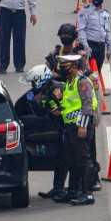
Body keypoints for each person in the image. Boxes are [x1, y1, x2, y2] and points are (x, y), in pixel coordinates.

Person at [17, 65, 72, 202]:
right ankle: (58, 188)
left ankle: (77, 190)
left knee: (68, 159)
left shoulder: (57, 89)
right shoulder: (39, 91)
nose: (32, 85)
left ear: (40, 80)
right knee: (60, 159)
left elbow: (58, 111)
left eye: (34, 82)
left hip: (66, 128)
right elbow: (24, 104)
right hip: (57, 129)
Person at [58, 54, 98, 206]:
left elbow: (87, 105)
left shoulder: (82, 82)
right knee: (72, 159)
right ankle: (73, 191)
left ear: (74, 66)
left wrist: (82, 125)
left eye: (65, 65)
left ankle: (88, 193)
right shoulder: (69, 83)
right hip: (70, 126)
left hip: (81, 126)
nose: (62, 68)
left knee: (83, 159)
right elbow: (70, 106)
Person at [77, 0, 111, 70]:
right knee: (87, 72)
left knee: (98, 72)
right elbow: (81, 30)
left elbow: (107, 31)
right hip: (90, 45)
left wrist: (110, 46)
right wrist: (86, 47)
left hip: (101, 47)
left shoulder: (105, 13)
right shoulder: (85, 11)